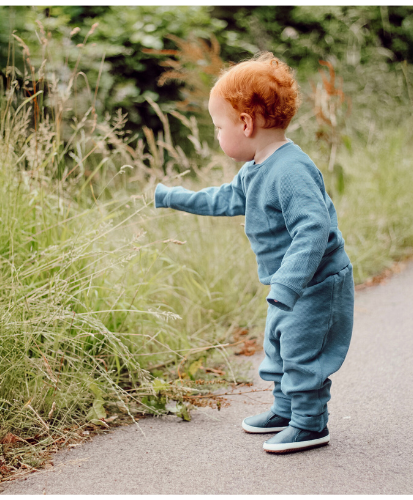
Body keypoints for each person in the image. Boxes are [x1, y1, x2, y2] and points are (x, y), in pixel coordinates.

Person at [153, 53, 354, 453]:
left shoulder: (291, 170)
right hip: (289, 284)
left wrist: (289, 283)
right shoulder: (256, 168)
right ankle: (284, 409)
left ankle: (311, 423)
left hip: (314, 282)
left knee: (301, 352)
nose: (216, 135)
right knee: (277, 345)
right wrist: (172, 196)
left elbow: (314, 229)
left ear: (245, 123)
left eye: (217, 127)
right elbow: (226, 198)